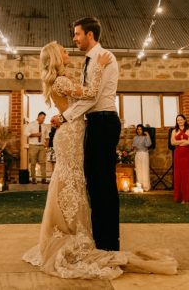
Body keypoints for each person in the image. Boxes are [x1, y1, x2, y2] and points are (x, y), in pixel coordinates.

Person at [22, 41, 177, 279]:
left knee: (71, 181)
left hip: (70, 132)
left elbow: (75, 101)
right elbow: (92, 93)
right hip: (71, 134)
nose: (67, 51)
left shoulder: (60, 80)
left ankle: (70, 229)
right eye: (63, 50)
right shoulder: (62, 81)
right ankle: (71, 231)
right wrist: (99, 68)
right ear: (56, 57)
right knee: (70, 181)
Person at [52, 17, 121, 251]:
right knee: (95, 184)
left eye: (77, 34)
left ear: (89, 35)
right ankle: (100, 238)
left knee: (104, 184)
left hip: (103, 120)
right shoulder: (89, 61)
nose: (74, 38)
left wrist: (64, 116)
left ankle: (110, 242)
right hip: (95, 123)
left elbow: (91, 98)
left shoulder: (104, 59)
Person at [171, 115, 189, 204]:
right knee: (179, 175)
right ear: (176, 121)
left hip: (186, 154)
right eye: (178, 120)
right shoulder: (174, 131)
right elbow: (172, 142)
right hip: (177, 154)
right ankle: (180, 197)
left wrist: (178, 142)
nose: (180, 121)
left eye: (181, 119)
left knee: (187, 175)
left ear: (185, 120)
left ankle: (188, 198)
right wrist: (182, 141)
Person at [25, 112, 50, 184]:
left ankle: (44, 179)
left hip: (42, 146)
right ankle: (33, 179)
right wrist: (35, 134)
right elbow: (26, 133)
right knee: (33, 163)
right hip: (33, 145)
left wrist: (47, 144)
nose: (43, 119)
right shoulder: (31, 124)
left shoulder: (44, 126)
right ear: (38, 117)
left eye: (44, 118)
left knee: (43, 163)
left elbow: (47, 136)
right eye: (42, 118)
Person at [132, 124, 152, 191]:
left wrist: (148, 135)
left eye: (140, 129)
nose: (139, 130)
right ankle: (139, 186)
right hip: (137, 154)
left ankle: (146, 186)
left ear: (142, 130)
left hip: (144, 154)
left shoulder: (145, 137)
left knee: (144, 169)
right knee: (138, 170)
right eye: (138, 129)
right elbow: (134, 148)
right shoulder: (135, 137)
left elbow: (148, 144)